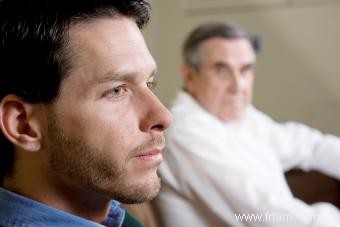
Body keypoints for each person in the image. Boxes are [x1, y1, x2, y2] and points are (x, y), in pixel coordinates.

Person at [0, 0, 172, 226]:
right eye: (117, 91)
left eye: (150, 83)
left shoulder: (112, 214)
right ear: (23, 125)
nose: (164, 117)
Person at [153, 22, 340, 227]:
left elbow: (311, 146)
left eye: (245, 70)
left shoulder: (240, 116)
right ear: (189, 75)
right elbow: (269, 218)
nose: (238, 86)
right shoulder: (186, 133)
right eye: (221, 70)